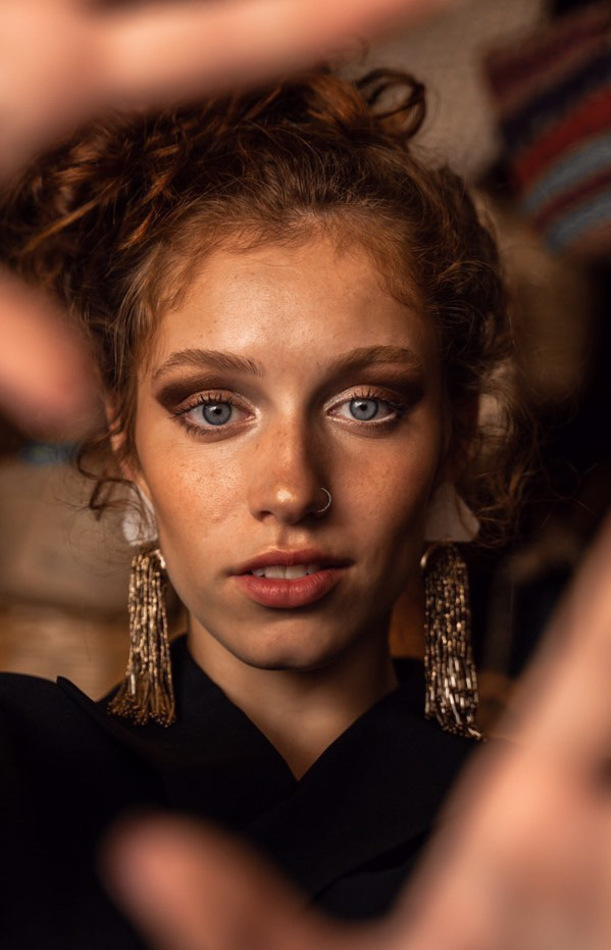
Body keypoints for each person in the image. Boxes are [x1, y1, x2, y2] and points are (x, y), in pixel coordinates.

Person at [0, 66, 524, 948]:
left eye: (365, 405)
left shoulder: (551, 841)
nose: (290, 489)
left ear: (455, 437)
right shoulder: (24, 774)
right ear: (127, 443)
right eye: (214, 410)